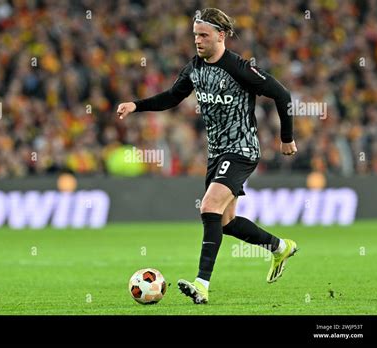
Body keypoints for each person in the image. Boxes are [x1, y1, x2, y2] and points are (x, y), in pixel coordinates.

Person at [116, 8, 298, 304]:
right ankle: (280, 247)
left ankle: (201, 285)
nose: (197, 40)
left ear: (220, 36)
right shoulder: (195, 68)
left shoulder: (239, 68)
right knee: (225, 221)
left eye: (203, 35)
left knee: (209, 206)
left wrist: (287, 138)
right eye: (195, 35)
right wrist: (136, 105)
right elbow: (172, 97)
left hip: (242, 150)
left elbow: (283, 94)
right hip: (216, 154)